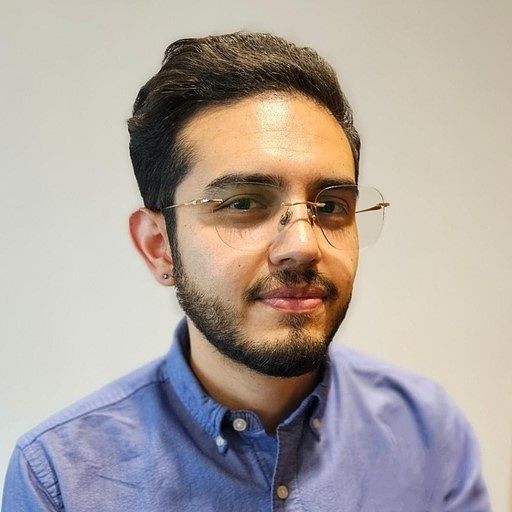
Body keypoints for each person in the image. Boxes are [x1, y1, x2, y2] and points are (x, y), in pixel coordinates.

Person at [2, 32, 491, 512]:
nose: (303, 246)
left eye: (330, 206)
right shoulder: (62, 481)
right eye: (243, 203)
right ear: (160, 248)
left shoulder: (427, 433)